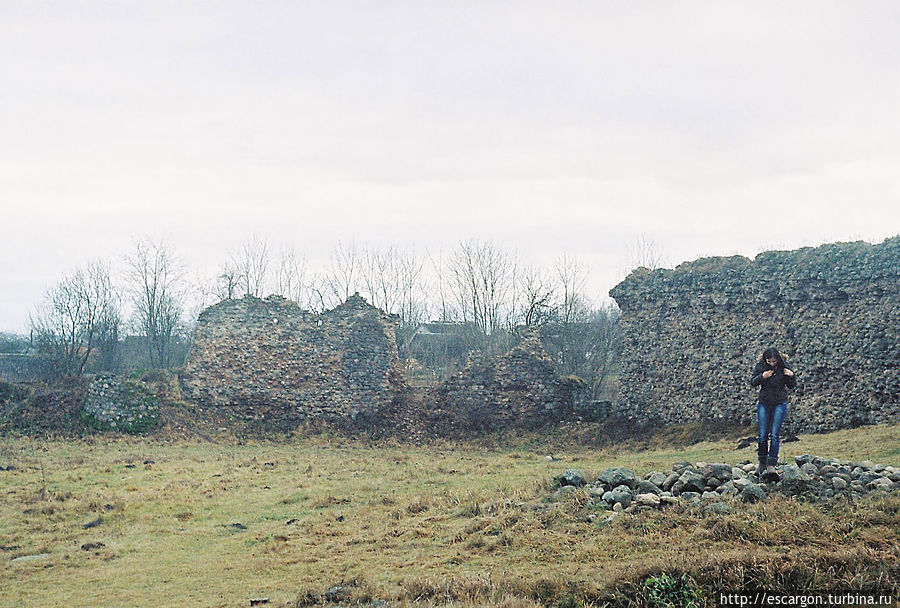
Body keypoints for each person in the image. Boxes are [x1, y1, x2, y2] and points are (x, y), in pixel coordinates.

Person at [749, 347, 796, 478]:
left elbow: (792, 385)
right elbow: (753, 382)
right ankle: (761, 463)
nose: (772, 364)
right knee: (762, 434)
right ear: (765, 360)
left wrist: (791, 375)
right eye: (769, 361)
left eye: (774, 361)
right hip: (764, 403)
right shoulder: (760, 366)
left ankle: (771, 464)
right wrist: (762, 377)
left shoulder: (784, 367)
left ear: (778, 359)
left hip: (780, 403)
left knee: (775, 434)